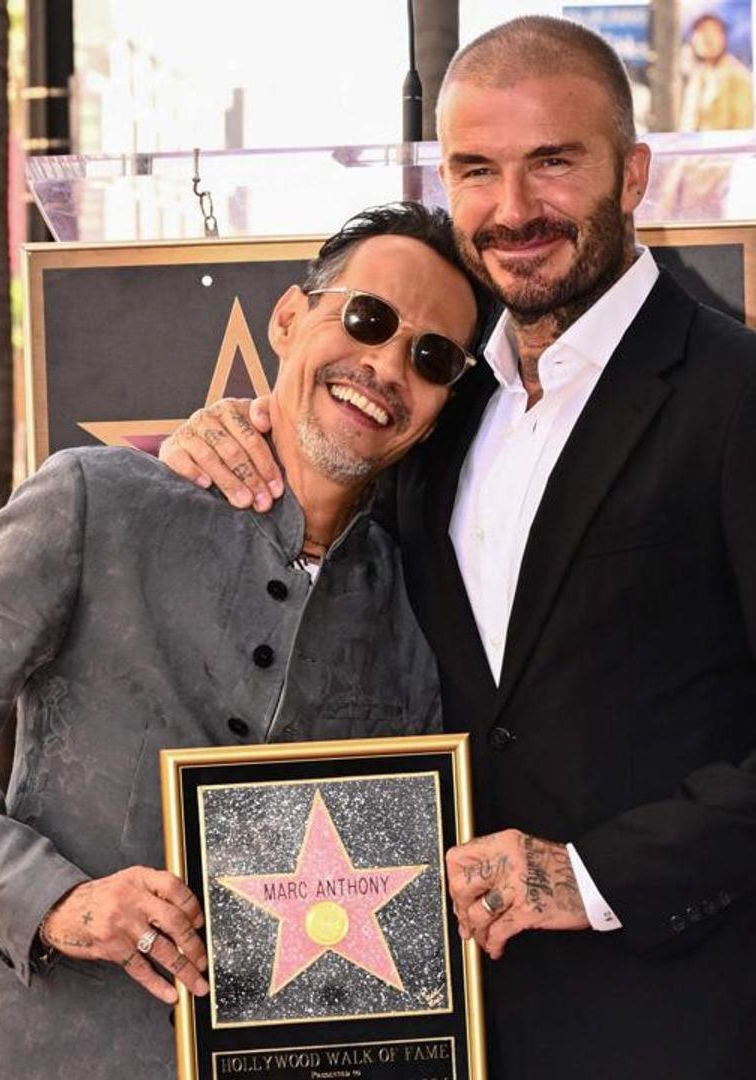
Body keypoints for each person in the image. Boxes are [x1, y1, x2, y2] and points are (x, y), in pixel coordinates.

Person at [161, 16, 756, 1080]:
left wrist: (596, 876)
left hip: (673, 1020)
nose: (513, 209)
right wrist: (227, 435)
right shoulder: (440, 409)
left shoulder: (735, 396)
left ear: (633, 176)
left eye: (552, 164)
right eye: (477, 170)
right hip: (431, 1026)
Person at [0, 202, 487, 1080]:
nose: (385, 366)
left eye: (430, 357)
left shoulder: (421, 604)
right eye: (368, 318)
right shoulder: (96, 500)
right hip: (16, 1049)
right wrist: (54, 901)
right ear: (288, 317)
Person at [678, 12, 754, 132]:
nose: (707, 39)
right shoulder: (697, 75)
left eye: (714, 32)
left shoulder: (738, 77)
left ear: (724, 38)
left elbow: (743, 130)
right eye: (701, 32)